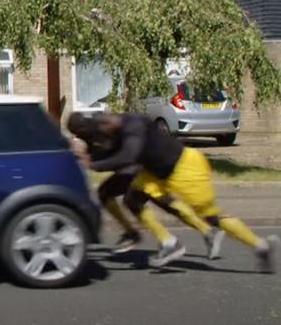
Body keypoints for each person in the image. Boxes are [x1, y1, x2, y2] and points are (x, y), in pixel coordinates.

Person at [90, 112, 278, 272]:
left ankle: (261, 246)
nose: (106, 138)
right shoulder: (122, 126)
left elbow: (128, 155)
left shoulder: (133, 126)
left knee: (212, 217)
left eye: (105, 133)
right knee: (133, 200)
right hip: (156, 173)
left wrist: (92, 164)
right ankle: (169, 243)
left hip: (185, 168)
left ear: (109, 124)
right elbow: (117, 152)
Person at [68, 113, 143, 253]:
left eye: (76, 133)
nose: (76, 137)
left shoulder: (99, 129)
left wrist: (92, 162)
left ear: (81, 128)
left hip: (132, 166)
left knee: (130, 200)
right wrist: (85, 157)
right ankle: (132, 232)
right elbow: (97, 154)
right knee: (106, 194)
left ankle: (137, 234)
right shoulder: (88, 133)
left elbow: (111, 153)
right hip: (125, 166)